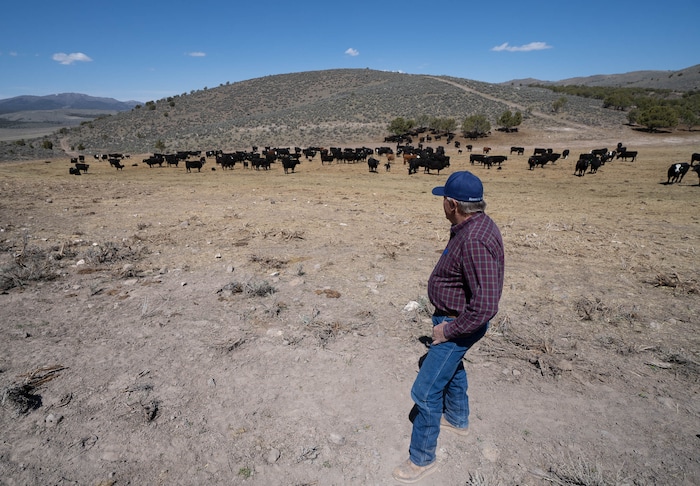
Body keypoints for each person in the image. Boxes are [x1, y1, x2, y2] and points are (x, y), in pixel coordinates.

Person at [393, 171, 505, 483]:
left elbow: (484, 305)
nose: (442, 203)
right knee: (452, 369)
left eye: (444, 199)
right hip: (454, 318)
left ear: (452, 204)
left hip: (457, 323)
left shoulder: (474, 239)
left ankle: (421, 459)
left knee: (425, 391)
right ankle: (457, 419)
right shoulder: (472, 225)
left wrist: (449, 331)